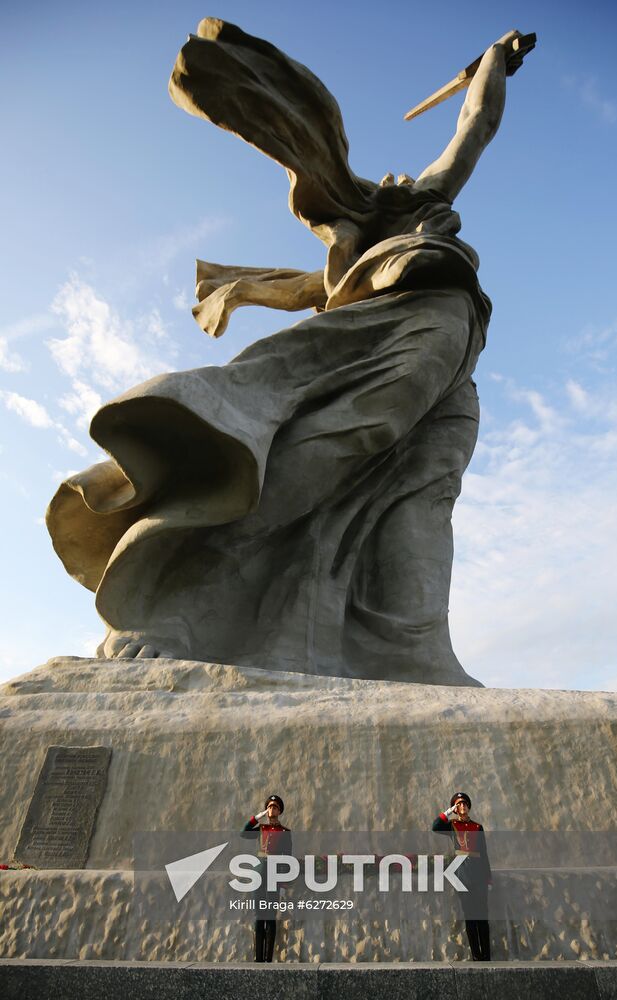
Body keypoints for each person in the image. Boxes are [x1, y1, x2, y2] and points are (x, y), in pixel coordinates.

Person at [46, 20, 534, 686]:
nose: (397, 177)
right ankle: (174, 594)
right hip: (407, 323)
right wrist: (245, 290)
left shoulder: (419, 207)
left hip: (454, 349)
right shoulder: (383, 228)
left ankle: (406, 652)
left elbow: (475, 125)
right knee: (346, 439)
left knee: (422, 494)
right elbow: (313, 285)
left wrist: (494, 64)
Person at [432, 791, 492, 961]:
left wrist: (488, 878)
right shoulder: (452, 825)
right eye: (458, 804)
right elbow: (435, 826)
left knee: (482, 916)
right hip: (462, 873)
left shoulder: (477, 827)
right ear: (455, 808)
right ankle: (476, 955)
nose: (462, 805)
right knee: (470, 915)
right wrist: (449, 811)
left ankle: (486, 955)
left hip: (478, 872)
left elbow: (484, 853)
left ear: (468, 806)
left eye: (464, 803)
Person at [241, 794, 292, 962]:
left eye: (275, 807)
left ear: (279, 811)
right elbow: (243, 833)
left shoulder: (285, 832)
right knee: (259, 916)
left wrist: (283, 885)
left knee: (270, 916)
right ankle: (258, 958)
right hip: (259, 874)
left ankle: (268, 959)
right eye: (269, 806)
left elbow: (287, 860)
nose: (272, 809)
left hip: (273, 876)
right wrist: (257, 817)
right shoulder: (261, 829)